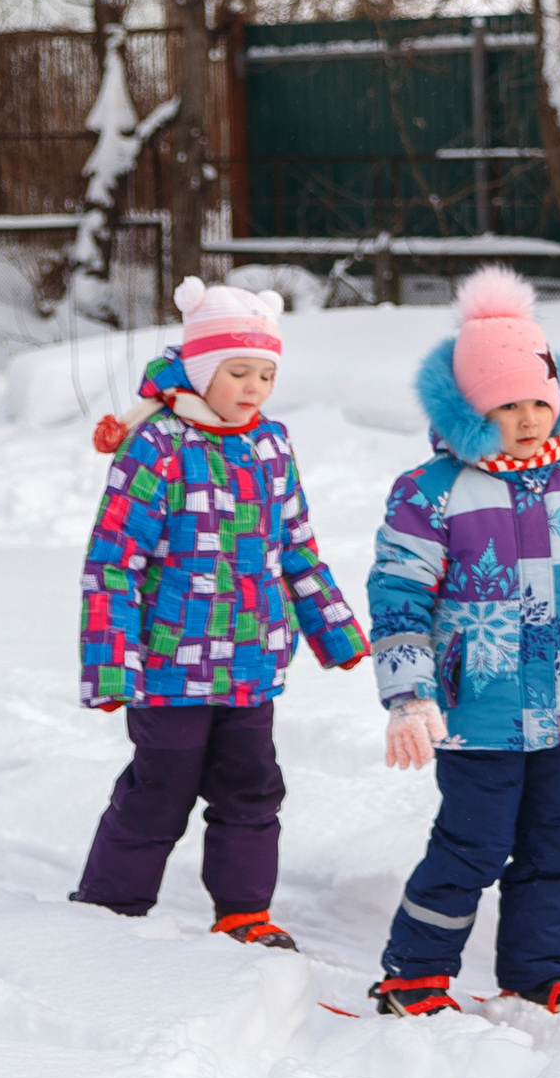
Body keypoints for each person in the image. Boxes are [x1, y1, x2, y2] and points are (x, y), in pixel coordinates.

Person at [364, 266, 560, 1018]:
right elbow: (399, 596)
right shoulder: (430, 492)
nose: (528, 417)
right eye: (506, 403)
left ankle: (540, 970)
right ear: (469, 406)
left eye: (539, 399)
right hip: (476, 709)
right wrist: (408, 696)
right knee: (472, 844)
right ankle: (415, 972)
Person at [73, 277, 368, 949]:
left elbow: (296, 547)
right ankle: (110, 908)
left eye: (266, 374)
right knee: (160, 790)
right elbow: (113, 563)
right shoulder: (157, 446)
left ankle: (244, 913)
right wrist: (112, 667)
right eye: (238, 371)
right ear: (204, 369)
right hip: (169, 668)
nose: (254, 387)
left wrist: (335, 628)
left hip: (252, 663)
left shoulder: (271, 446)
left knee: (252, 790)